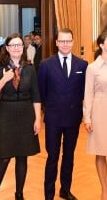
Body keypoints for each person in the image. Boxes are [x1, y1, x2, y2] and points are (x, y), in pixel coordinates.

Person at [0, 33, 42, 200]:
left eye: (19, 45)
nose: (17, 48)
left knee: (22, 157)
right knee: (3, 158)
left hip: (26, 114)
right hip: (6, 115)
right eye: (13, 45)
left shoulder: (30, 68)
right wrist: (4, 79)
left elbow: (36, 95)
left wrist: (38, 119)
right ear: (8, 48)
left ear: (23, 48)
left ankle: (19, 194)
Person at [38, 28, 88, 200]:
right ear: (57, 42)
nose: (65, 44)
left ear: (73, 42)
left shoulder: (82, 65)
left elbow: (83, 92)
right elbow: (41, 92)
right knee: (52, 157)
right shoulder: (45, 65)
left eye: (68, 41)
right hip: (53, 118)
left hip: (73, 118)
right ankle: (49, 194)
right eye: (62, 41)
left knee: (69, 156)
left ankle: (65, 189)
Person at [83, 31, 107, 200]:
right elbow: (88, 94)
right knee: (101, 152)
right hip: (100, 111)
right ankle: (105, 189)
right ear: (102, 45)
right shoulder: (92, 68)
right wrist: (87, 118)